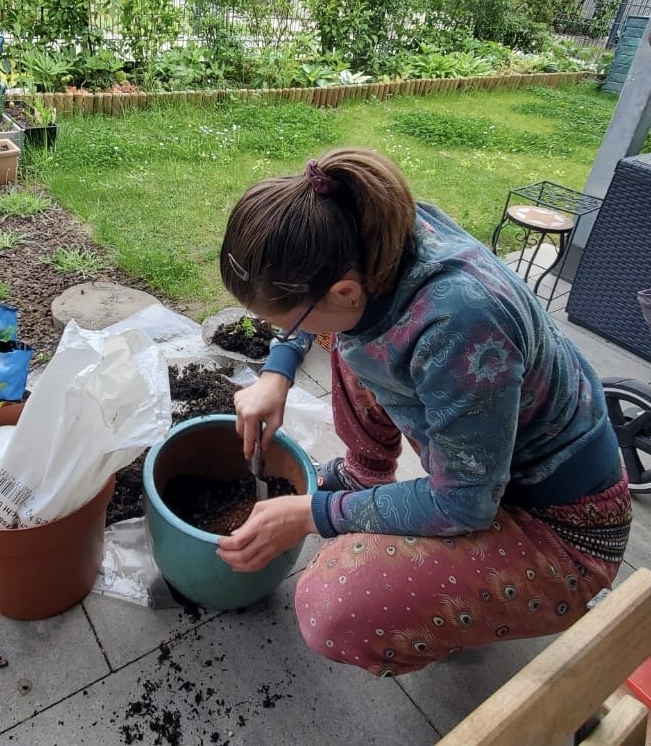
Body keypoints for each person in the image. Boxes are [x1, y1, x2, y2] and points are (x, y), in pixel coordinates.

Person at [217, 146, 631, 676]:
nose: (288, 332)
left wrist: (315, 515)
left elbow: (465, 505)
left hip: (563, 526)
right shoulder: (368, 233)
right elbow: (317, 304)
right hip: (486, 465)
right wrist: (278, 369)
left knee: (330, 607)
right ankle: (365, 477)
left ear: (344, 290)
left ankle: (454, 608)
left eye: (287, 323)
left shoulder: (460, 322)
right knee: (352, 337)